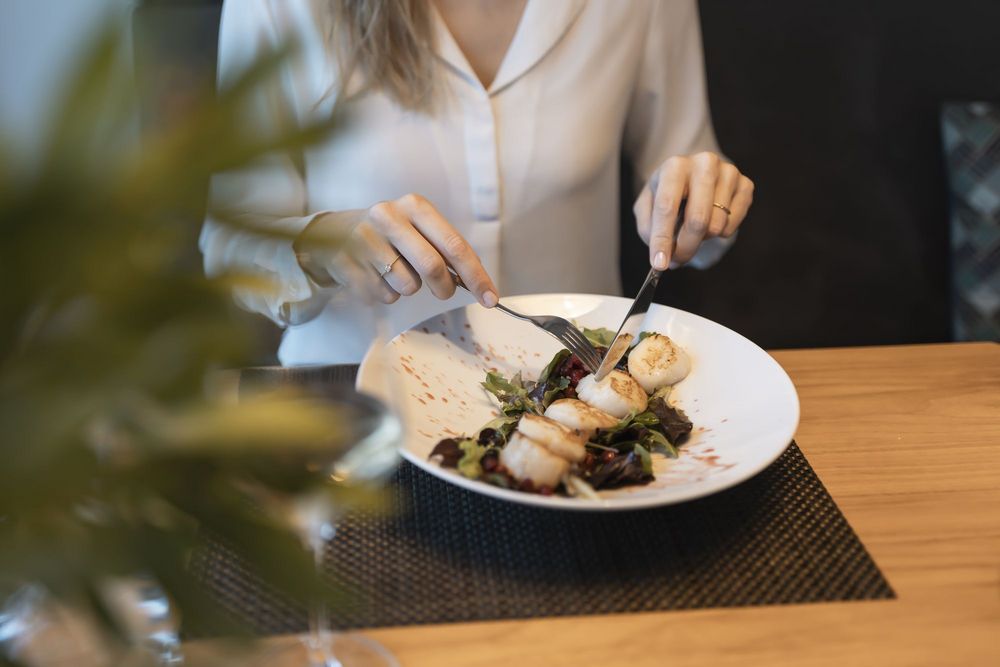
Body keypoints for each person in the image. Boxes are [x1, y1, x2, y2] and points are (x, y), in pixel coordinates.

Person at [201, 0, 754, 365]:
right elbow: (228, 247)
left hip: (580, 395)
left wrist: (703, 206)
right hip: (351, 406)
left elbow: (691, 197)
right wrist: (328, 243)